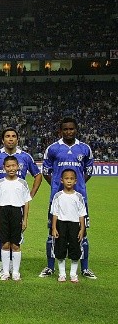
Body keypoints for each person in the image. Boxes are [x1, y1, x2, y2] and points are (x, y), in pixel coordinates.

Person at [40, 117, 96, 279]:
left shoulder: (85, 148)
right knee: (53, 232)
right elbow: (46, 171)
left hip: (79, 199)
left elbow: (89, 170)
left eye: (71, 129)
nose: (69, 132)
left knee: (82, 232)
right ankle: (50, 267)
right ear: (60, 131)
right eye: (65, 129)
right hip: (57, 199)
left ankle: (85, 268)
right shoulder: (53, 148)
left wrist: (78, 186)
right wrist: (57, 187)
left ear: (76, 130)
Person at [0, 127, 41, 275]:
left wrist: (30, 195)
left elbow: (38, 175)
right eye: (7, 136)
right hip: (1, 203)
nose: (10, 139)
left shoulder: (25, 157)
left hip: (18, 205)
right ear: (2, 139)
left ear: (17, 139)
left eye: (13, 136)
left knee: (15, 237)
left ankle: (13, 266)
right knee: (0, 235)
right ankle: (2, 265)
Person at [0, 156, 32, 281]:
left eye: (13, 166)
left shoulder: (22, 183)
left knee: (15, 244)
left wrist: (25, 219)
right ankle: (5, 272)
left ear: (18, 166)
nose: (11, 168)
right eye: (8, 166)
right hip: (3, 213)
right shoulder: (0, 183)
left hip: (16, 213)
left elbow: (26, 202)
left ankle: (15, 272)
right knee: (5, 244)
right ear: (4, 168)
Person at [50, 169, 87, 283]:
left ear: (75, 181)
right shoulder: (58, 196)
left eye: (71, 179)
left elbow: (82, 214)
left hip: (74, 225)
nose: (69, 181)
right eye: (66, 178)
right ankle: (62, 274)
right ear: (62, 180)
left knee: (75, 249)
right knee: (60, 249)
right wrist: (54, 227)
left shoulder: (79, 196)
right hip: (61, 224)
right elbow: (55, 213)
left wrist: (82, 228)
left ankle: (73, 274)